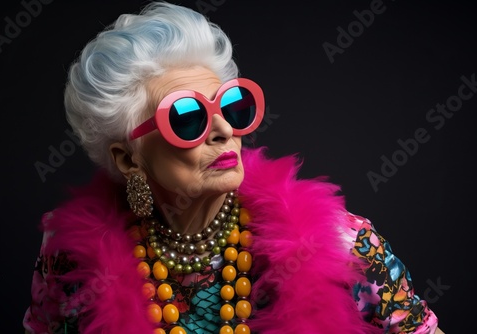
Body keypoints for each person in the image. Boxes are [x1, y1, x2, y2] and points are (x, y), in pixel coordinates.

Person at [23, 2, 444, 333]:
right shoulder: (67, 257)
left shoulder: (342, 243)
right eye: (187, 118)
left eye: (229, 106)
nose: (224, 128)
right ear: (127, 157)